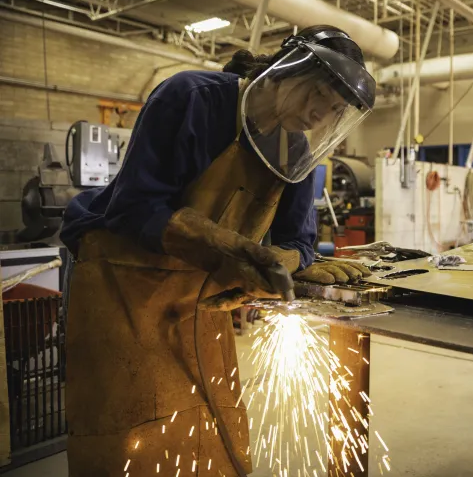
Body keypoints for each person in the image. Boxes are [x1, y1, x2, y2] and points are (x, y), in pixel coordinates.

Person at [60, 25, 375, 476]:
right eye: (321, 96)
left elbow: (298, 241)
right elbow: (132, 207)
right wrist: (221, 242)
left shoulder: (295, 149)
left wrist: (285, 263)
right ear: (289, 70)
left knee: (211, 425)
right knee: (129, 436)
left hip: (201, 296)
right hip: (122, 283)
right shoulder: (191, 98)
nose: (321, 114)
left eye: (336, 109)